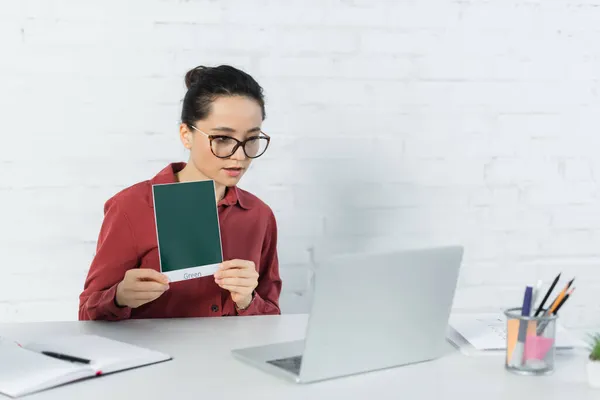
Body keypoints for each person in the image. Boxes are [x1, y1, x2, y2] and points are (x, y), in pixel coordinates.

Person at [78, 65, 282, 320]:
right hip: (158, 359)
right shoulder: (131, 207)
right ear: (186, 135)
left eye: (251, 139)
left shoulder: (259, 216)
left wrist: (248, 300)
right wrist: (119, 297)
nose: (239, 156)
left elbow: (273, 318)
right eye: (222, 139)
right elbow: (87, 314)